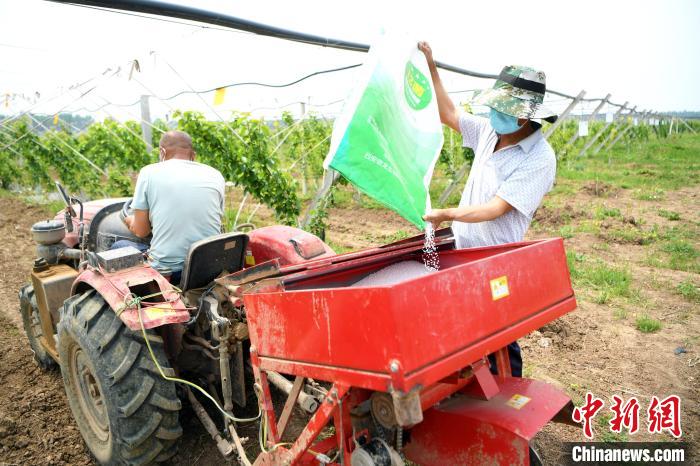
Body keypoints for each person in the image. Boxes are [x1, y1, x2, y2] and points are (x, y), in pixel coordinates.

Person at [418, 42, 558, 377]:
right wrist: (431, 65)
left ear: (524, 116)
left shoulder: (539, 158)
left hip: (497, 259)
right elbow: (448, 113)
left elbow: (496, 208)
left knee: (500, 334)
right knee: (467, 326)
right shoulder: (487, 132)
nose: (495, 115)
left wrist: (446, 213)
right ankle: (471, 386)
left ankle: (509, 400)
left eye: (503, 110)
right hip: (464, 250)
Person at [116, 130, 225, 284]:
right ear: (192, 154)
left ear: (162, 152)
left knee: (118, 245)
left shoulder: (148, 173)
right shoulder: (215, 174)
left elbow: (142, 231)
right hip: (209, 267)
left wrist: (128, 220)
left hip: (170, 272)